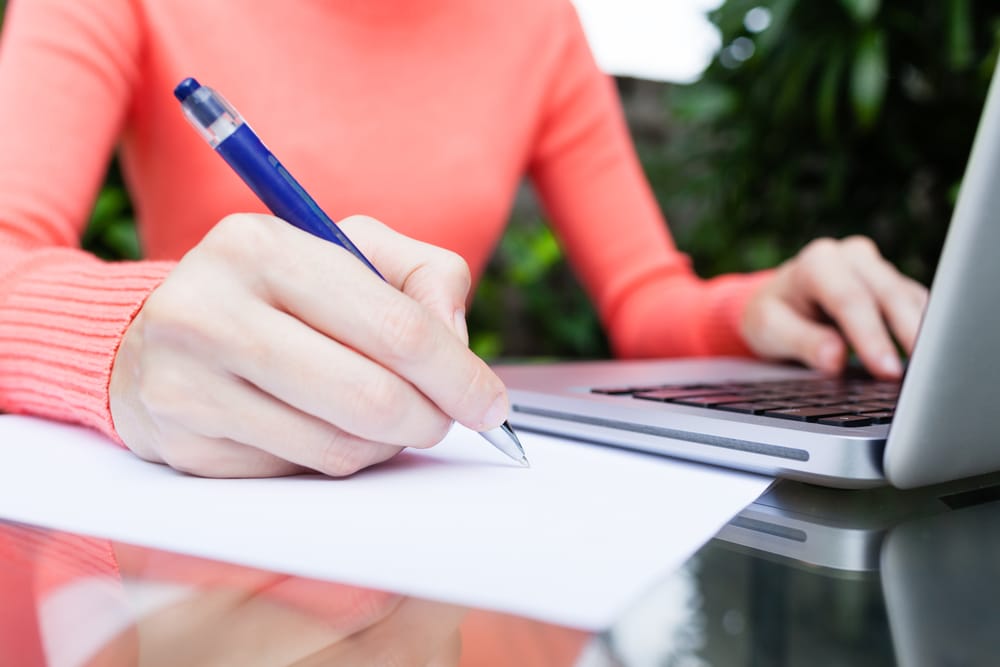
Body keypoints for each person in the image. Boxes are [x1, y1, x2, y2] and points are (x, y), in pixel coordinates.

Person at [0, 0, 928, 478]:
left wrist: (755, 307)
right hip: (210, 526)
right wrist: (123, 340)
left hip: (427, 510)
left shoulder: (535, 21)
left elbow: (644, 294)